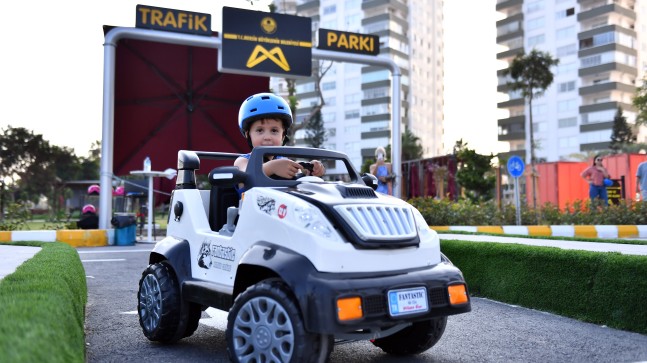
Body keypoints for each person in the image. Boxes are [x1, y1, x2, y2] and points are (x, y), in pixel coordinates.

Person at [233, 93, 325, 187]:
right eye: (260, 130)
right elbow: (245, 177)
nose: (267, 137)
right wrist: (272, 167)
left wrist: (309, 171)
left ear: (283, 136)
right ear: (248, 135)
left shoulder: (283, 161)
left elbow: (297, 181)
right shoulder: (243, 161)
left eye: (274, 130)